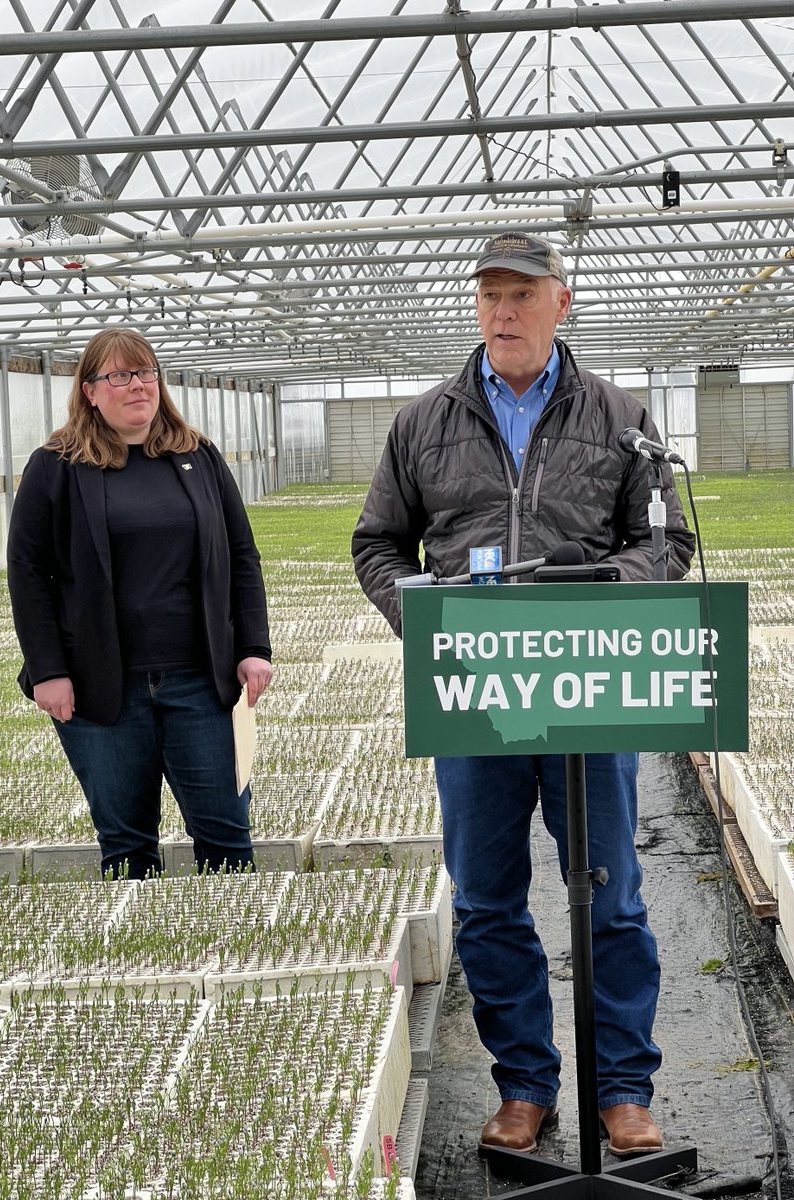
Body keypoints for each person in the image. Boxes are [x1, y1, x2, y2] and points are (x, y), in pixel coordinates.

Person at [352, 231, 695, 1158]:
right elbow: (377, 546)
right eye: (490, 296)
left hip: (588, 683)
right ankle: (525, 1087)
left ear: (561, 301)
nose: (502, 312)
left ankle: (625, 1089)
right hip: (472, 693)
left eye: (521, 294)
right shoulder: (424, 421)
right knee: (488, 898)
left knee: (610, 892)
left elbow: (667, 542)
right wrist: (425, 621)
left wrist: (607, 594)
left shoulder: (622, 416)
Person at [7, 328, 272, 880]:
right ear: (89, 391)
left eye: (146, 372)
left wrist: (252, 647)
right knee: (126, 847)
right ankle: (153, 952)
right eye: (119, 376)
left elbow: (241, 557)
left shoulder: (197, 456)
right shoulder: (55, 466)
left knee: (227, 838)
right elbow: (28, 574)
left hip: (201, 681)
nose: (137, 386)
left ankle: (230, 952)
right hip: (102, 686)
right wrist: (49, 670)